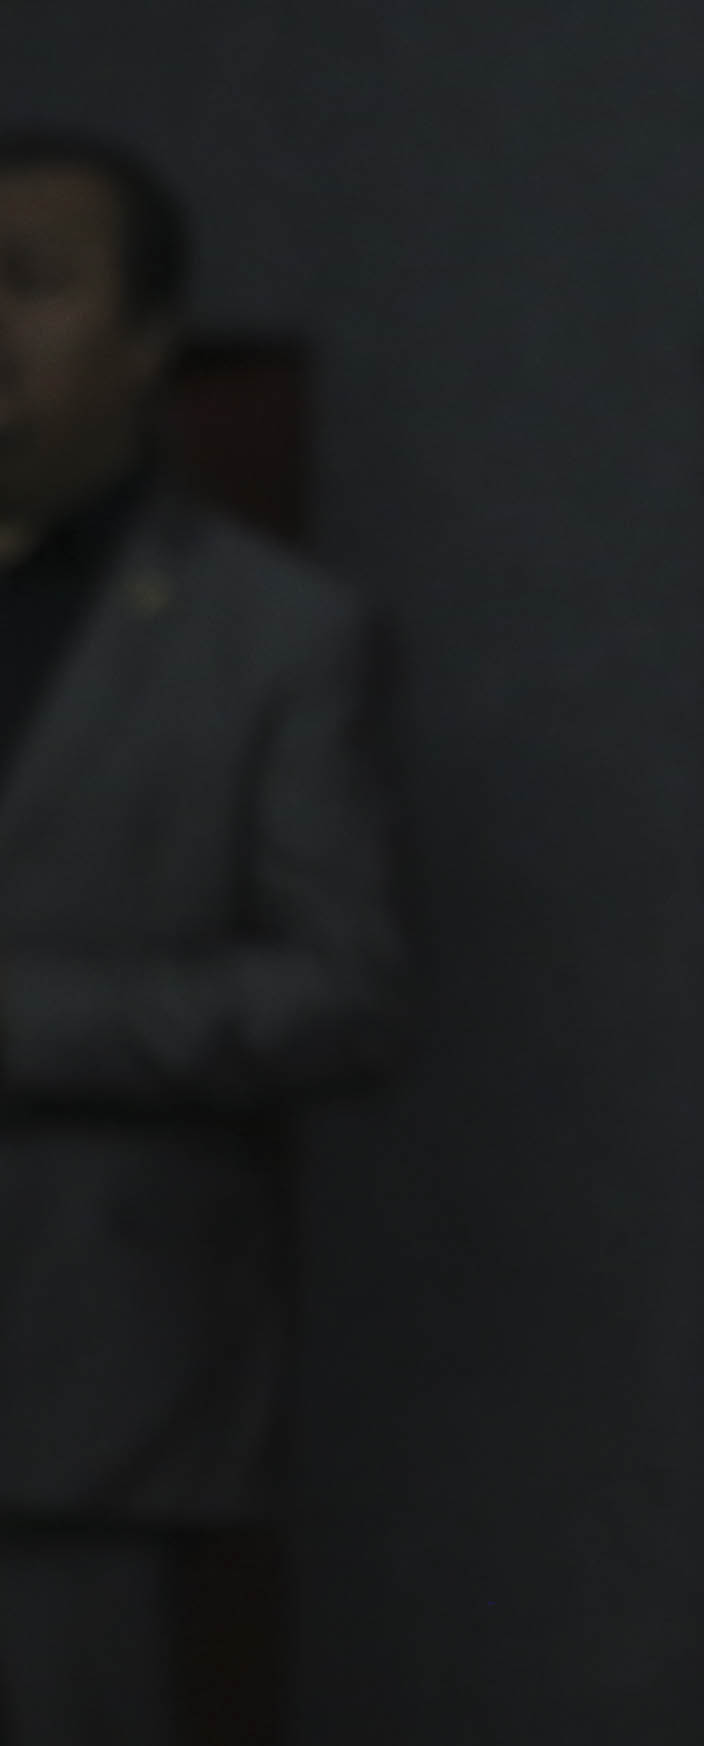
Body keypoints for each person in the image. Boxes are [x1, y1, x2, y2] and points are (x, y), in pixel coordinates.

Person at [0, 131, 406, 1746]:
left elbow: (345, 991)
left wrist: (26, 1020)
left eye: (28, 281)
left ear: (149, 337)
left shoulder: (275, 638)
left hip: (71, 1400)